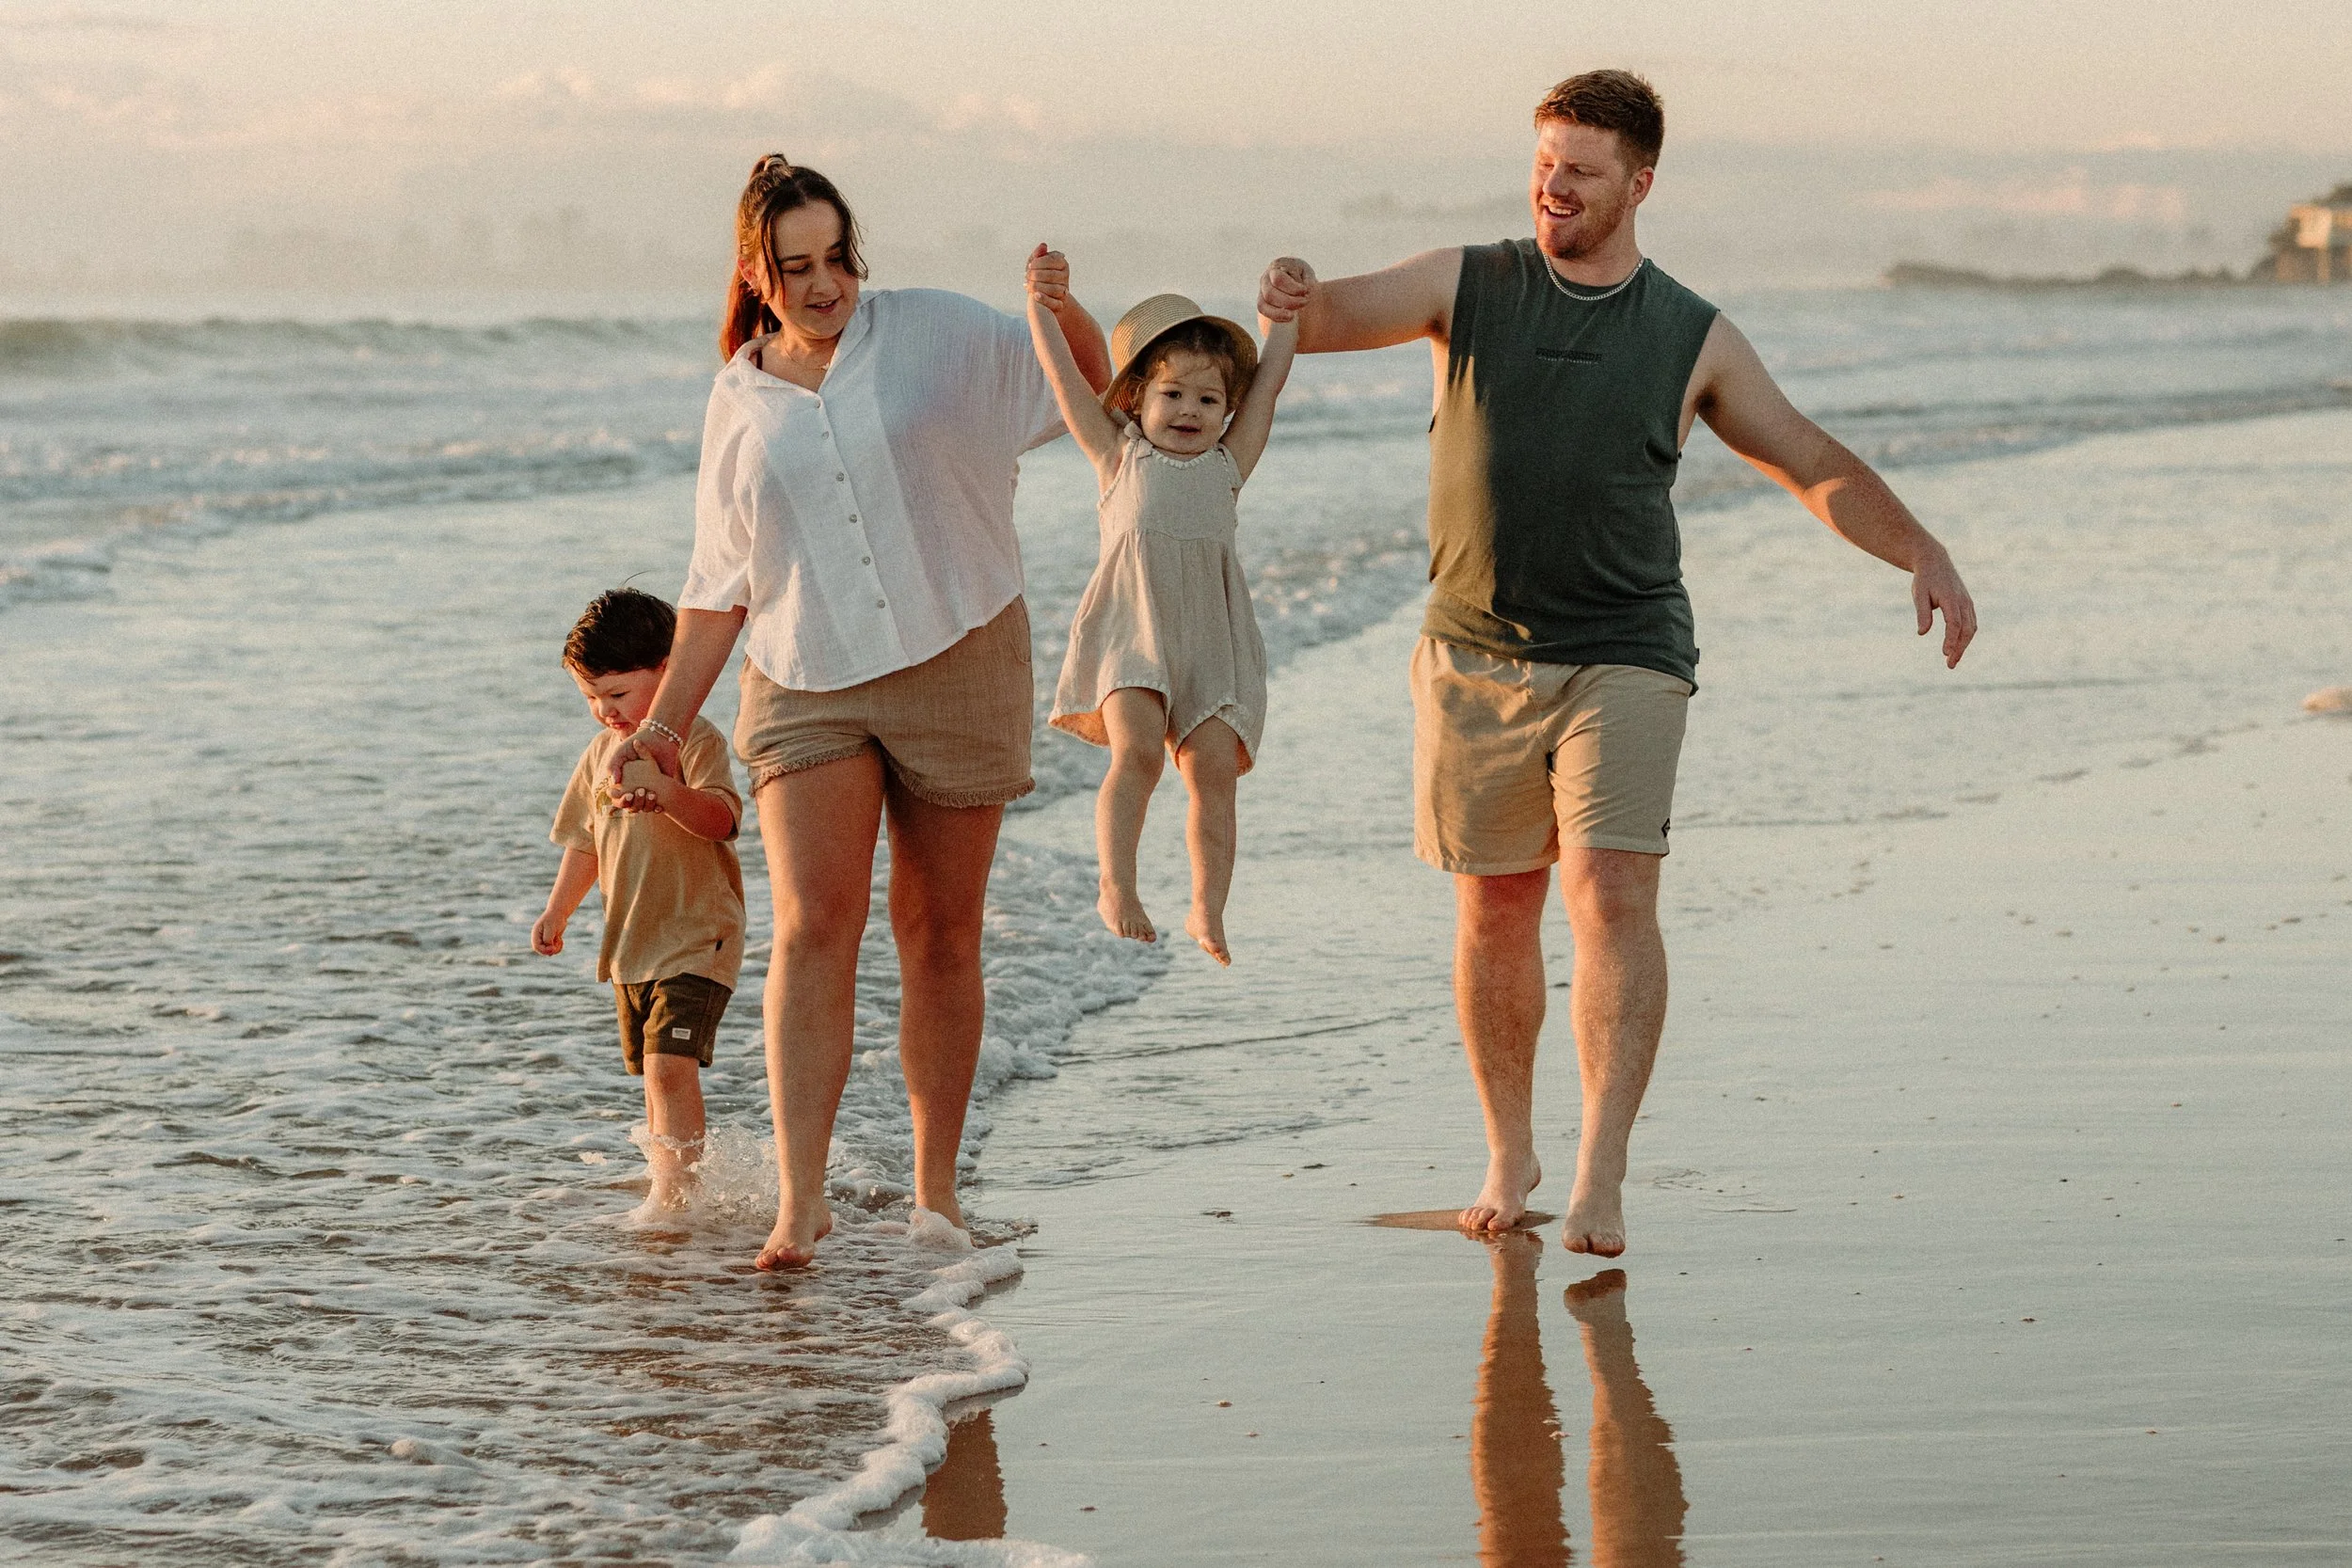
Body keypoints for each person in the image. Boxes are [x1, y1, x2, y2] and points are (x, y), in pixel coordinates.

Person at [1258, 70, 1978, 1257]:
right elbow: (1328, 315)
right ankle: (1509, 1148)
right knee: (1493, 907)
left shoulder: (1690, 332)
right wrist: (1290, 291)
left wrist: (1922, 548)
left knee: (1607, 891)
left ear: (1639, 184)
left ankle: (1598, 1172)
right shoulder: (1466, 283)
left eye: (1582, 169)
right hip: (1474, 652)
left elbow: (1807, 457)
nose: (1554, 184)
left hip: (1628, 649)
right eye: (1544, 160)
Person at [612, 155, 1112, 1269]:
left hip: (962, 648)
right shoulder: (736, 396)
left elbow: (1087, 378)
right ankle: (803, 1201)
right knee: (810, 926)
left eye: (837, 257)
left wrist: (1058, 303)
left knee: (939, 933)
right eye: (795, 267)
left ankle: (936, 1195)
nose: (824, 282)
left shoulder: (937, 331)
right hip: (806, 678)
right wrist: (658, 728)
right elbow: (716, 586)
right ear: (757, 270)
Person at [1031, 279, 1296, 964]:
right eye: (1172, 394)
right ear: (1135, 400)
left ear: (1225, 410)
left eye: (1209, 399)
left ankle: (1207, 908)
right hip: (1131, 635)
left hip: (1213, 646)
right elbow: (1063, 380)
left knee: (1213, 775)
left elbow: (1266, 388)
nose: (1189, 410)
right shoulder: (1119, 457)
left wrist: (1284, 320)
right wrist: (1041, 308)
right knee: (1140, 754)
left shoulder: (1228, 464)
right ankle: (1116, 886)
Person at [532, 587, 745, 1211]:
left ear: (669, 671)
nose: (604, 712)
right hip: (632, 945)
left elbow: (724, 820)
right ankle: (677, 1180)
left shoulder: (696, 741)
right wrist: (558, 909)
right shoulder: (600, 755)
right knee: (653, 1077)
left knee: (668, 1066)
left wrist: (665, 789)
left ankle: (676, 1197)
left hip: (698, 933)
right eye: (591, 699)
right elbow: (584, 841)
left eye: (617, 694)